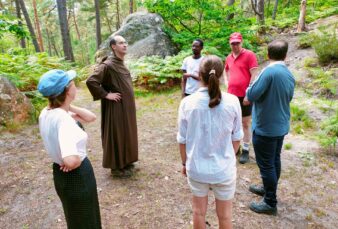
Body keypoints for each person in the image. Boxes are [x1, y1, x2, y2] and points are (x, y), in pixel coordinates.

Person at [177, 55, 243, 228]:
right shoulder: (233, 101)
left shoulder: (187, 103)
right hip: (224, 170)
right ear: (222, 75)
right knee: (225, 216)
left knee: (198, 212)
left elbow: (182, 140)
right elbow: (237, 137)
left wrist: (185, 163)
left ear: (199, 74)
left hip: (196, 168)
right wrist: (227, 155)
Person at [38, 69, 101, 228]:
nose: (76, 87)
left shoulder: (47, 112)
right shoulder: (64, 120)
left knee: (75, 219)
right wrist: (75, 161)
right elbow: (71, 161)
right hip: (77, 177)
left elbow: (91, 117)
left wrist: (68, 106)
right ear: (67, 91)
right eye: (73, 84)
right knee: (86, 220)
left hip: (60, 174)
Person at [246, 40, 295, 215]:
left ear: (268, 55)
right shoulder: (288, 74)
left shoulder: (268, 72)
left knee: (267, 165)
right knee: (274, 160)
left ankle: (270, 202)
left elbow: (252, 94)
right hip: (280, 125)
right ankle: (268, 189)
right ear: (285, 55)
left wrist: (249, 87)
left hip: (266, 127)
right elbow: (289, 97)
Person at [86, 35, 138, 178]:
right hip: (115, 108)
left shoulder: (120, 62)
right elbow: (91, 81)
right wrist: (106, 94)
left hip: (127, 108)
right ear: (113, 47)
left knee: (127, 133)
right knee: (117, 134)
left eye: (125, 42)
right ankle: (116, 167)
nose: (125, 45)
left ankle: (126, 161)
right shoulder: (107, 65)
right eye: (121, 43)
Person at [224, 32, 259, 164]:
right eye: (233, 43)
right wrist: (227, 82)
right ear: (230, 44)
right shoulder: (229, 57)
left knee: (245, 123)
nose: (235, 46)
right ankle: (235, 146)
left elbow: (254, 74)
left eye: (237, 43)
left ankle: (245, 149)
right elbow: (225, 69)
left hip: (244, 96)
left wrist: (248, 93)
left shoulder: (249, 55)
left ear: (241, 42)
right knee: (232, 122)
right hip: (231, 95)